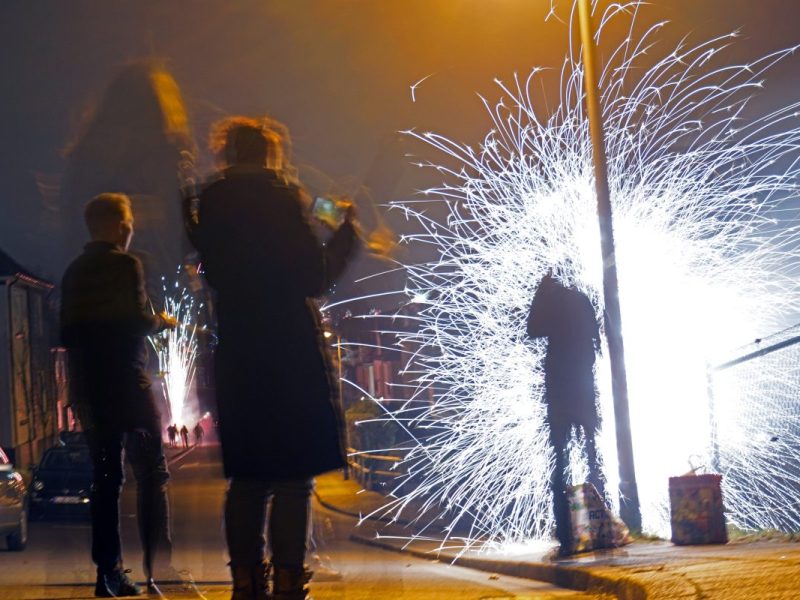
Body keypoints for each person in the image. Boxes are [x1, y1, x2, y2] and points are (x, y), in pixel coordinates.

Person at [184, 116, 359, 600]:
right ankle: (286, 580)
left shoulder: (209, 205)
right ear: (270, 155)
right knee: (291, 479)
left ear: (228, 155)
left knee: (248, 479)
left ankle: (246, 582)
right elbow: (312, 277)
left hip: (239, 351)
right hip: (288, 351)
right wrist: (344, 238)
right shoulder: (284, 200)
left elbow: (211, 269)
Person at [61, 193, 178, 597]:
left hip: (89, 390)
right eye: (127, 222)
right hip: (128, 386)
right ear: (115, 226)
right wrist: (161, 321)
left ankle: (107, 572)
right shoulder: (126, 264)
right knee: (151, 474)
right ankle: (158, 567)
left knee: (106, 480)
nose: (131, 229)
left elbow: (69, 334)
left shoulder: (74, 271)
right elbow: (137, 319)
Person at [526, 268, 604, 557]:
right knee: (594, 458)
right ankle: (599, 525)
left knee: (560, 463)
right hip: (584, 388)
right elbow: (597, 339)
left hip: (560, 392)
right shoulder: (582, 299)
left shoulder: (552, 304)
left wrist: (540, 294)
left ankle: (567, 535)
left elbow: (532, 329)